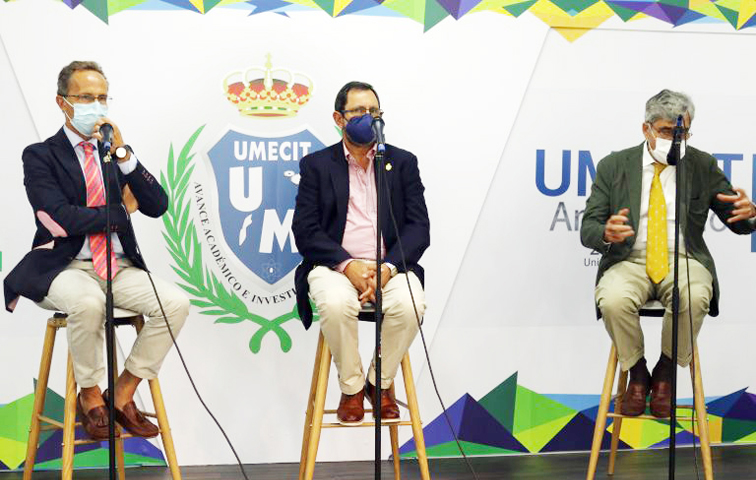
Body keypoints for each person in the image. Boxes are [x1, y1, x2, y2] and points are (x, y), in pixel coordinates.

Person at [4, 61, 189, 440]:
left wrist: (124, 155)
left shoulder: (112, 153)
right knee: (88, 304)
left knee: (175, 303)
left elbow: (157, 205)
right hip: (64, 266)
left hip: (118, 267)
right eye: (86, 97)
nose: (97, 105)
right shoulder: (40, 155)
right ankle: (89, 396)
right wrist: (120, 212)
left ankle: (121, 394)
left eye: (102, 97)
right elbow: (60, 217)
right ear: (62, 102)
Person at [581, 89, 756, 417]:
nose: (676, 140)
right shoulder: (614, 166)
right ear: (646, 129)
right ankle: (637, 371)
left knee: (694, 297)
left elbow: (736, 219)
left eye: (683, 132)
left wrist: (749, 213)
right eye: (666, 131)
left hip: (683, 259)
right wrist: (606, 232)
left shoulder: (702, 165)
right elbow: (588, 227)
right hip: (628, 258)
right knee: (614, 299)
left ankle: (666, 369)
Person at [292, 81, 430, 425]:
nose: (368, 118)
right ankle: (352, 388)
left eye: (375, 112)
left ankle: (378, 383)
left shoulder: (401, 162)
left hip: (389, 267)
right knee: (337, 305)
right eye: (359, 112)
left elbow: (418, 228)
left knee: (412, 303)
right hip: (334, 266)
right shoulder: (316, 165)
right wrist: (348, 265)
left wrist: (387, 268)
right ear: (339, 118)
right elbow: (305, 230)